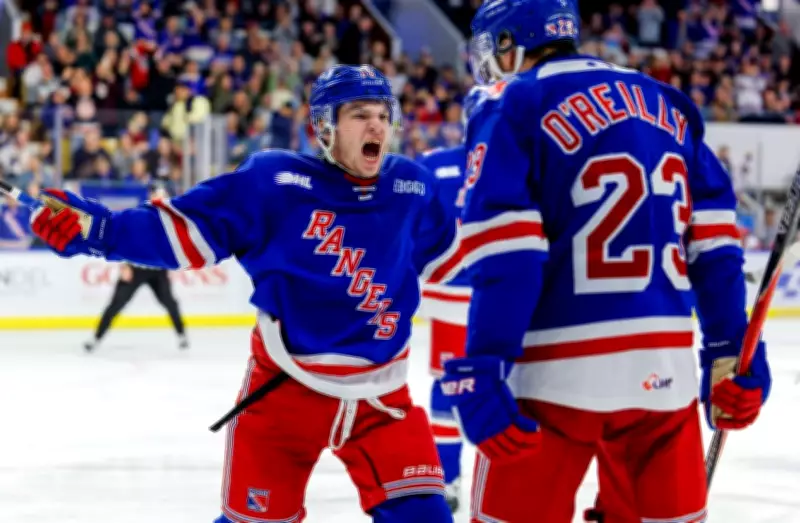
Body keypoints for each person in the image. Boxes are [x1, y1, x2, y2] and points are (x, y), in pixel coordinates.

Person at [29, 64, 458, 523]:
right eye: (359, 115)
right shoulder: (272, 182)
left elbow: (451, 262)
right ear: (324, 127)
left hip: (383, 401)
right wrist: (102, 231)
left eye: (383, 115)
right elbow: (183, 231)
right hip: (286, 394)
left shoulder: (412, 188)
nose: (376, 126)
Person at [440, 1, 772, 522]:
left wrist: (485, 362)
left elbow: (508, 253)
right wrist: (730, 347)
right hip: (664, 378)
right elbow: (714, 247)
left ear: (509, 43)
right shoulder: (668, 102)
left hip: (552, 377)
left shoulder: (512, 101)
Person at [417, 86, 487, 513]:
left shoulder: (431, 164)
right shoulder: (520, 162)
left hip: (449, 296)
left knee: (449, 386)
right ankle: (478, 480)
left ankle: (448, 478)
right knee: (506, 386)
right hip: (500, 294)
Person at [84, 185, 188, 352]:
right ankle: (95, 338)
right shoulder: (138, 214)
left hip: (157, 270)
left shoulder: (171, 220)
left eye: (163, 195)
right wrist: (125, 265)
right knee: (116, 304)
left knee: (169, 302)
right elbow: (125, 239)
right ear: (150, 196)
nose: (159, 198)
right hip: (135, 268)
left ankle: (182, 335)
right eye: (156, 195)